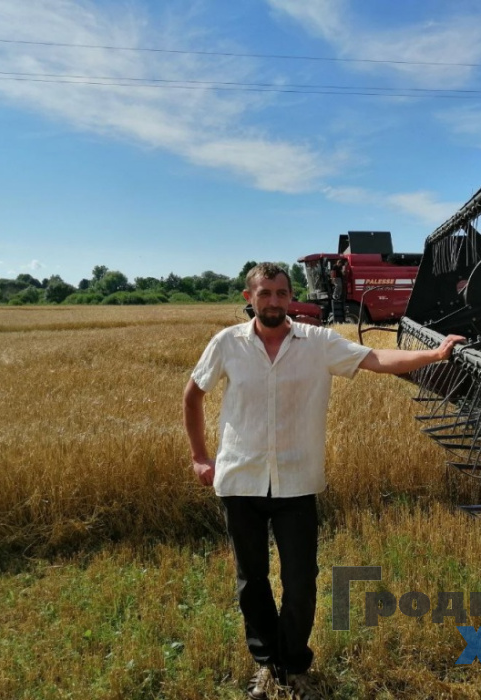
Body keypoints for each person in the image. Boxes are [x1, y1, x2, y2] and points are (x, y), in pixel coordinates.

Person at [182, 262, 464, 700]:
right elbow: (193, 394)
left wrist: (434, 354)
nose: (273, 301)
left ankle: (294, 664)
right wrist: (200, 457)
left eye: (280, 293)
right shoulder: (227, 343)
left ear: (290, 297)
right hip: (240, 480)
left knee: (301, 581)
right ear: (249, 298)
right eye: (264, 293)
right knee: (250, 579)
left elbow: (375, 359)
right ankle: (266, 665)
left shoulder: (317, 342)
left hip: (297, 481)